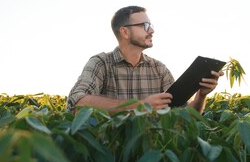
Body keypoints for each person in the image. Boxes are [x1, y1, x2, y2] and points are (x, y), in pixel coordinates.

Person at [67, 6, 223, 114]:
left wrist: (201, 96)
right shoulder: (100, 63)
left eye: (151, 25)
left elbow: (183, 115)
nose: (152, 30)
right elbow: (78, 102)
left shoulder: (159, 69)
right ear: (125, 32)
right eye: (145, 25)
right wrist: (141, 106)